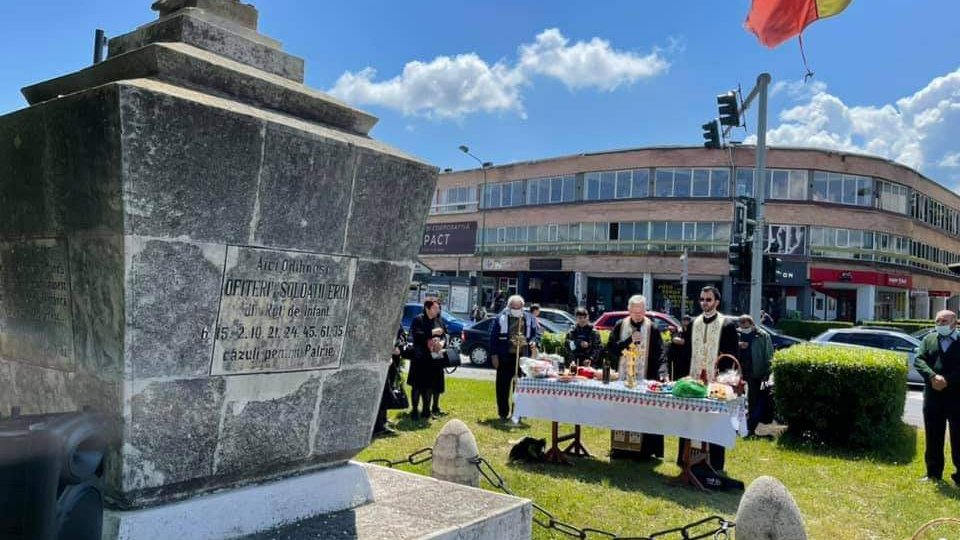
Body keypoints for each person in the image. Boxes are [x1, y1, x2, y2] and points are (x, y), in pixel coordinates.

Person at [677, 285, 739, 472]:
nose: (704, 303)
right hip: (694, 381)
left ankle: (714, 463)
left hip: (716, 384)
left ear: (717, 302)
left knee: (714, 423)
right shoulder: (694, 323)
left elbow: (731, 356)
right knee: (690, 419)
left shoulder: (726, 324)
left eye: (708, 299)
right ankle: (686, 458)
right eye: (702, 299)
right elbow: (686, 352)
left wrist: (724, 382)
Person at [606, 295, 668, 460]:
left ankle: (644, 451)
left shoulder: (652, 328)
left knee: (644, 414)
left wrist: (663, 373)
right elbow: (611, 349)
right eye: (635, 312)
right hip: (624, 379)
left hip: (644, 378)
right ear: (629, 310)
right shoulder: (621, 325)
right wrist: (628, 340)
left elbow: (661, 353)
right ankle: (620, 448)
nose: (638, 315)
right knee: (622, 412)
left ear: (645, 310)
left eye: (641, 311)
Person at [914, 310, 960, 484]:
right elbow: (919, 360)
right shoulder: (929, 339)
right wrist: (932, 376)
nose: (940, 324)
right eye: (938, 321)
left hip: (957, 397)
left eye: (944, 321)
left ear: (954, 323)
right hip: (933, 396)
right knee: (933, 435)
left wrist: (947, 380)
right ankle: (933, 473)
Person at [489, 295, 540, 420]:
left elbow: (536, 334)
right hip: (504, 356)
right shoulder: (500, 318)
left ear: (523, 307)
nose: (516, 309)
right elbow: (493, 337)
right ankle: (503, 413)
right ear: (509, 306)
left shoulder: (529, 318)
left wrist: (534, 342)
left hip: (522, 358)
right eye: (513, 307)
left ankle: (518, 412)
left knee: (521, 387)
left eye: (518, 307)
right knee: (502, 386)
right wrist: (494, 355)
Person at [736, 315, 775, 436]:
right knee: (737, 399)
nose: (744, 328)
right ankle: (737, 425)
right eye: (742, 326)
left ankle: (751, 427)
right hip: (739, 371)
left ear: (752, 324)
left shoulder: (762, 335)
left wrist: (767, 373)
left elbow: (769, 355)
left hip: (755, 372)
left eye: (746, 326)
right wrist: (738, 345)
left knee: (753, 400)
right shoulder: (737, 334)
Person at [409, 299, 447, 420]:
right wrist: (432, 332)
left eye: (438, 308)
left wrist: (442, 343)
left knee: (429, 387)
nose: (438, 310)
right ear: (427, 308)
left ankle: (427, 411)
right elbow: (417, 336)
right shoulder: (418, 319)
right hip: (420, 358)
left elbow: (444, 335)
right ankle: (414, 411)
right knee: (417, 386)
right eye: (435, 308)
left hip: (433, 359)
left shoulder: (438, 320)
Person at [373, 326, 407, 437]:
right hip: (381, 362)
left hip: (392, 363)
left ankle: (383, 419)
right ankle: (378, 425)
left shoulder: (396, 321)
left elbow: (401, 336)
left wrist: (398, 347)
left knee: (387, 392)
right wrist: (386, 353)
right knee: (381, 394)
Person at [667, 314, 693, 381]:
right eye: (684, 320)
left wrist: (673, 338)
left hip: (686, 358)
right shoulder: (680, 329)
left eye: (687, 320)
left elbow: (682, 341)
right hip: (677, 358)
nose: (685, 322)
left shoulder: (690, 330)